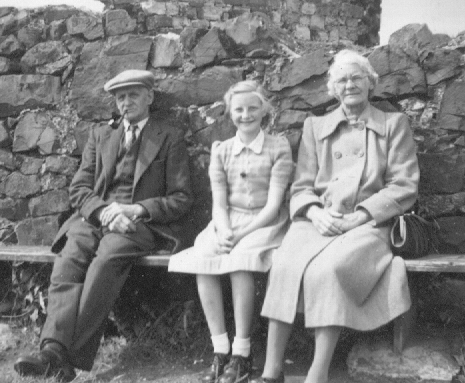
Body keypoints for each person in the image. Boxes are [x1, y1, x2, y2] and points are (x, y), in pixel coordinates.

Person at [251, 49, 420, 383]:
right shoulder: (315, 127)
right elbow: (301, 186)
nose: (349, 84)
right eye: (342, 79)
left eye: (357, 77)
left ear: (371, 84)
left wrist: (362, 216)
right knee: (285, 263)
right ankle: (272, 370)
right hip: (319, 220)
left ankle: (318, 371)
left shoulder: (394, 124)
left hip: (369, 223)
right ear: (333, 88)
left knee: (329, 269)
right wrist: (314, 213)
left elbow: (404, 185)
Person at [14, 69, 193, 382]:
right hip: (96, 218)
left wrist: (138, 208)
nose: (125, 103)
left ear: (149, 97)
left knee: (105, 262)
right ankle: (53, 350)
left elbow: (181, 197)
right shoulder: (101, 135)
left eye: (133, 95)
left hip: (136, 224)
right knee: (69, 258)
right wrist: (103, 211)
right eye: (120, 97)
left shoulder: (169, 136)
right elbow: (80, 189)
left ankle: (61, 356)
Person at [169, 80, 293, 383]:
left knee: (241, 262)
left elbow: (273, 206)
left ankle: (242, 352)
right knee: (205, 258)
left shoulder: (278, 146)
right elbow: (220, 203)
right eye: (239, 109)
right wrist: (223, 230)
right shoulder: (221, 150)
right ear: (230, 112)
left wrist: (239, 236)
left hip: (265, 223)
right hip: (228, 221)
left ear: (264, 110)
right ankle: (220, 349)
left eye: (253, 108)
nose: (246, 115)